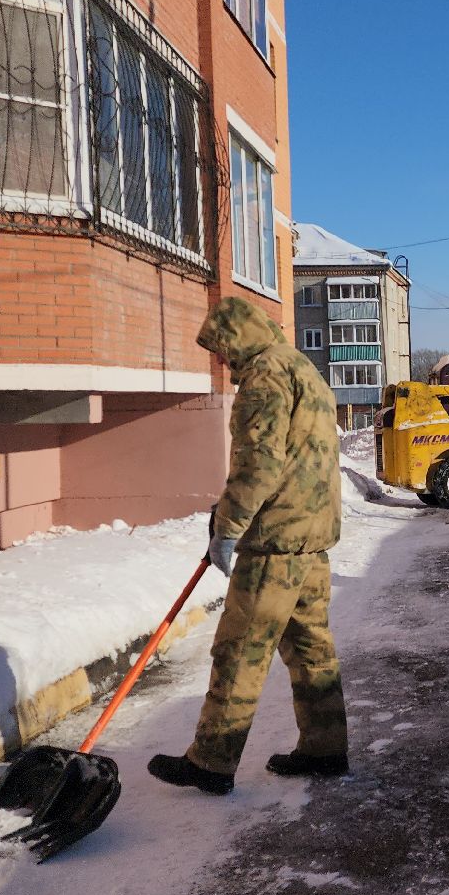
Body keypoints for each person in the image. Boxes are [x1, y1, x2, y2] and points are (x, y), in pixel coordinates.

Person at [148, 296, 348, 796]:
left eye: (219, 349)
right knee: (311, 651)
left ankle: (211, 762)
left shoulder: (265, 375)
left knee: (240, 650)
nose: (221, 361)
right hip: (311, 541)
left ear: (236, 336)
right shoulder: (304, 369)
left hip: (275, 542)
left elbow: (260, 461)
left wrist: (229, 526)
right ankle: (324, 748)